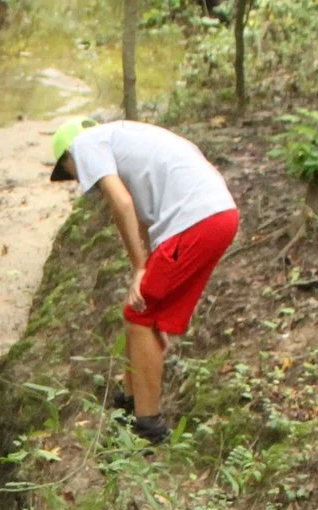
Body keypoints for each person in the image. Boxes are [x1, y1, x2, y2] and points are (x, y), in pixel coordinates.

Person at [48, 118, 240, 446]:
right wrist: (148, 270)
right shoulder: (124, 137)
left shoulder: (84, 145)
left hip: (198, 220)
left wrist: (139, 267)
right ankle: (129, 401)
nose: (79, 179)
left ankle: (149, 427)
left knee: (139, 314)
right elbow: (143, 220)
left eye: (71, 173)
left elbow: (122, 204)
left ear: (69, 156)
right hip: (216, 215)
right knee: (144, 312)